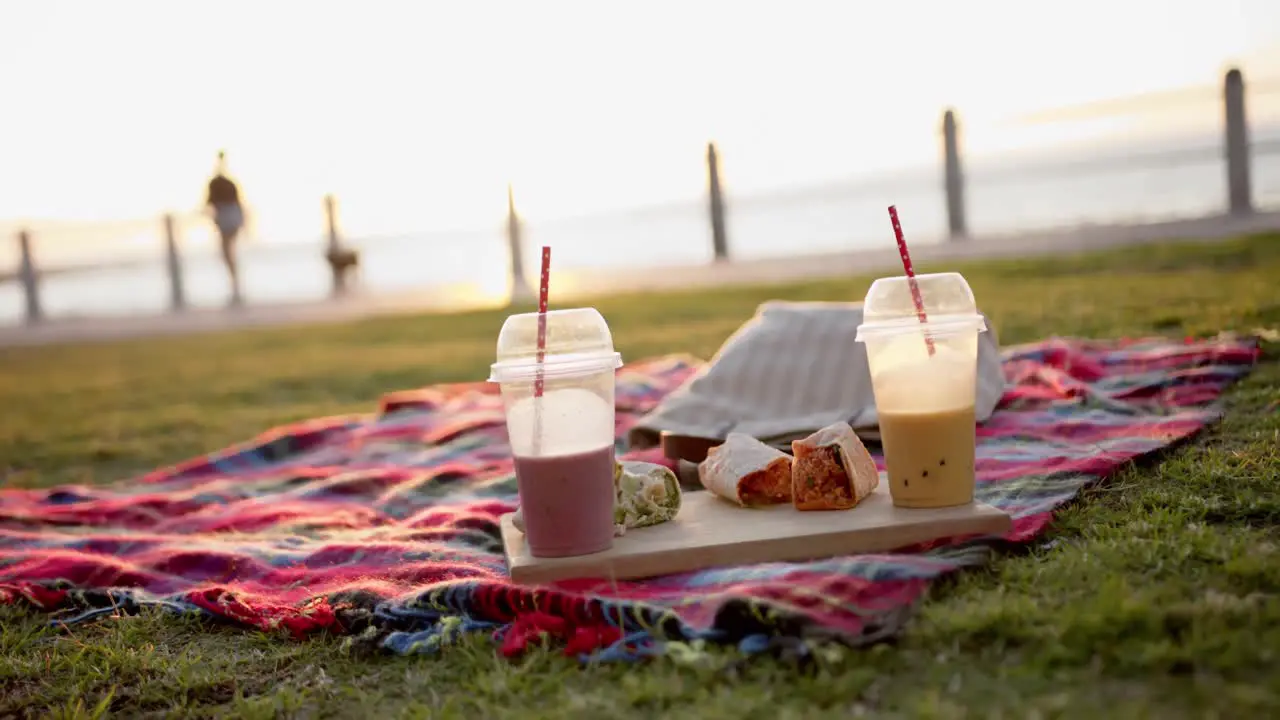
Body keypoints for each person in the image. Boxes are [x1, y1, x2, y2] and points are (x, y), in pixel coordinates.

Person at [206, 151, 245, 306]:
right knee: (228, 254)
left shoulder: (223, 183)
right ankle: (235, 287)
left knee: (228, 254)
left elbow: (213, 203)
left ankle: (235, 288)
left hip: (227, 217)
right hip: (228, 217)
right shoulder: (219, 183)